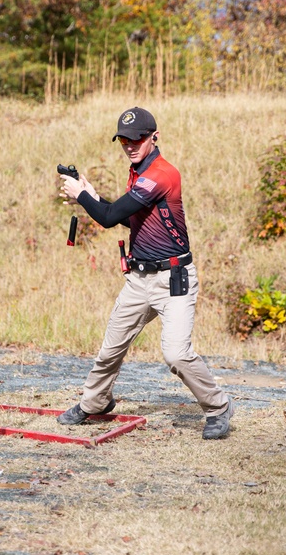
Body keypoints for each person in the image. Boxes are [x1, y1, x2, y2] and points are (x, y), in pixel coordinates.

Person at [57, 106, 234, 439]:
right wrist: (95, 197)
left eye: (137, 139)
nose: (130, 145)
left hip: (173, 280)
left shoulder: (161, 173)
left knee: (176, 354)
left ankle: (219, 407)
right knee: (111, 348)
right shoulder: (139, 170)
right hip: (139, 280)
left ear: (154, 137)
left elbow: (109, 218)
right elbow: (129, 217)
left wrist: (82, 197)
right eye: (124, 139)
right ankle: (95, 402)